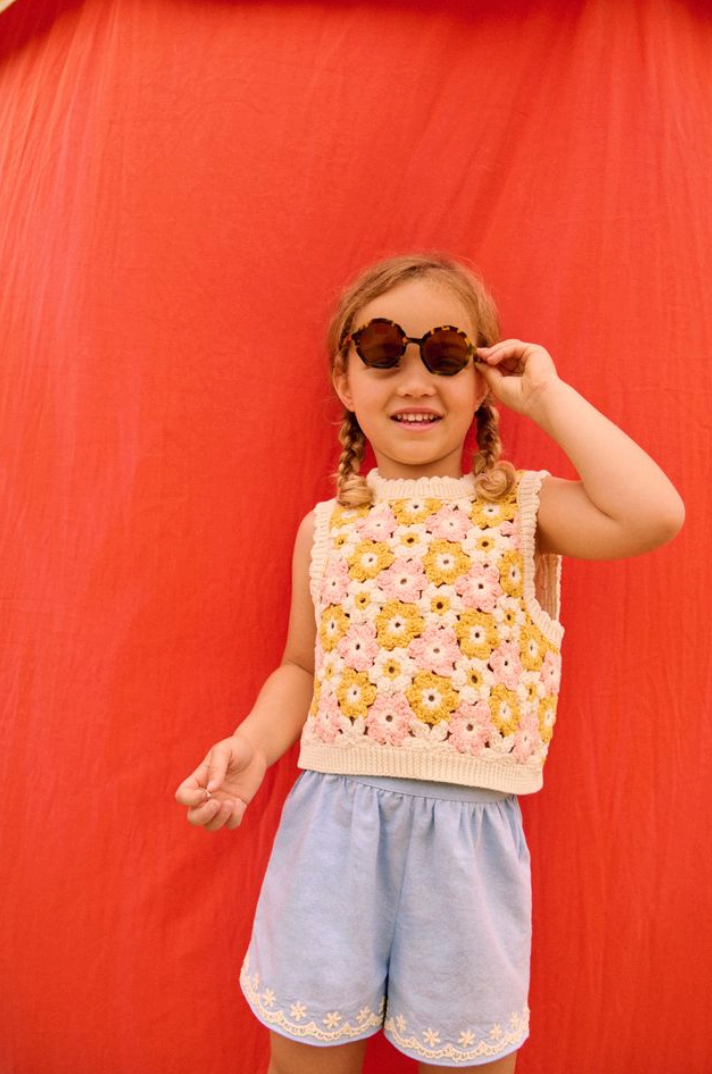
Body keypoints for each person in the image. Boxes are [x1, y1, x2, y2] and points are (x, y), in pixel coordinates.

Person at [175, 253, 684, 1074]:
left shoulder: (521, 509)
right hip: (332, 836)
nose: (416, 379)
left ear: (481, 380)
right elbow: (301, 669)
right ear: (344, 380)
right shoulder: (325, 529)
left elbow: (654, 513)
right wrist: (253, 748)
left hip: (466, 851)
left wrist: (545, 396)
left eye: (446, 354)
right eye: (383, 350)